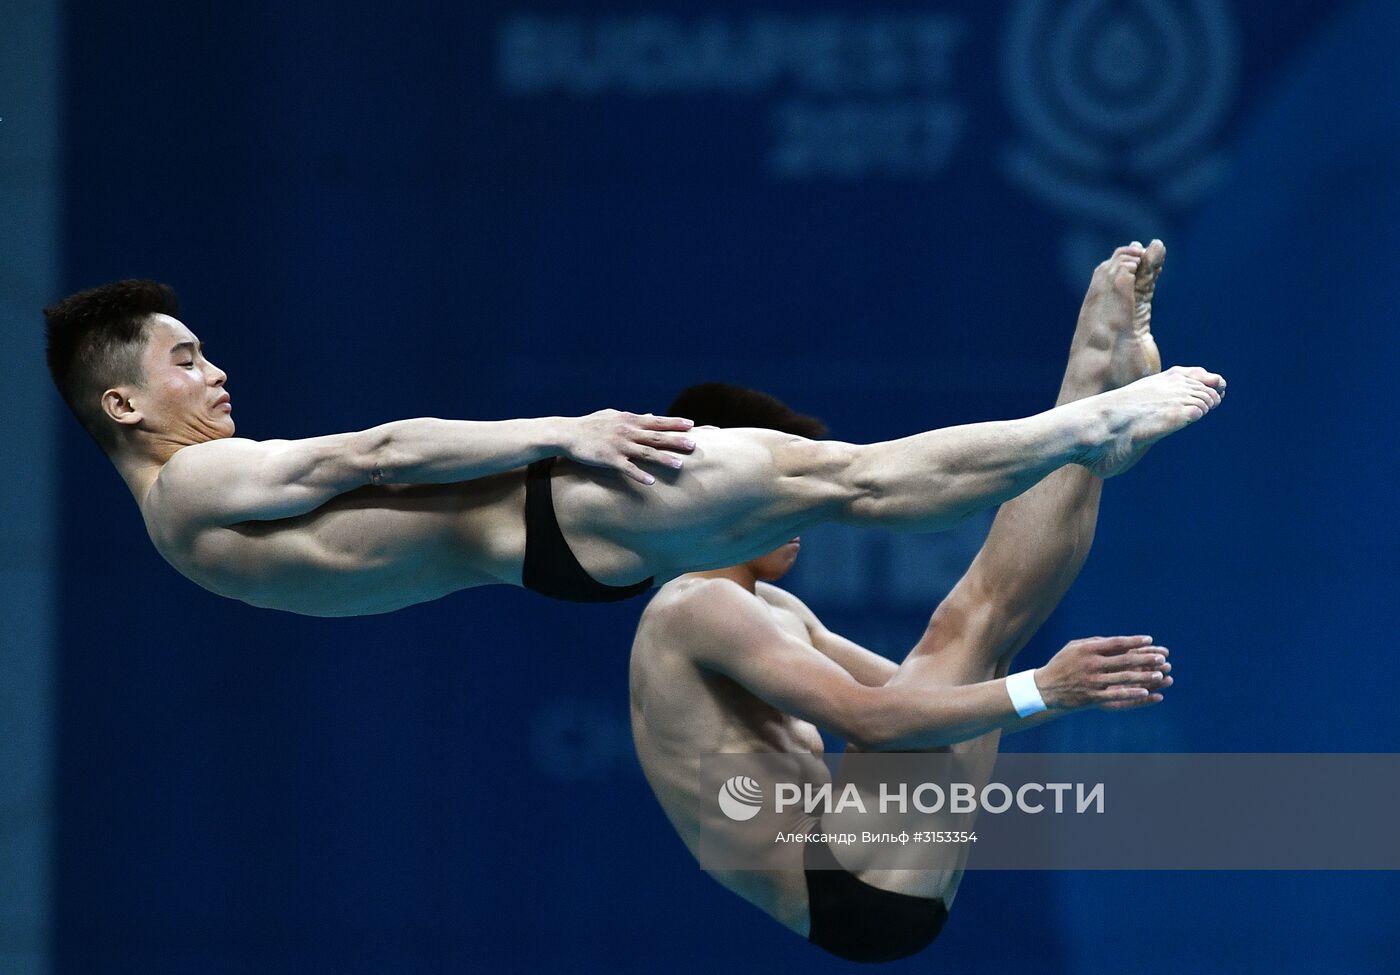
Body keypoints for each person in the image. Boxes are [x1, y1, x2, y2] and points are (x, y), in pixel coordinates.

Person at [43, 241, 1223, 616]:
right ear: (124, 405)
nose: (219, 370)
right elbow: (374, 452)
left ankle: (1083, 418)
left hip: (554, 555)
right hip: (569, 502)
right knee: (854, 481)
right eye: (185, 359)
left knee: (843, 488)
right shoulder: (192, 490)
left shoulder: (182, 531)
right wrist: (573, 429)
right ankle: (1088, 422)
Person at [629, 242, 1183, 962]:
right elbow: (871, 719)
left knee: (981, 643)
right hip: (843, 881)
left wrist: (1040, 692)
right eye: (778, 497)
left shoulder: (771, 608)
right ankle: (1091, 393)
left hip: (874, 884)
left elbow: (915, 703)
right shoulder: (689, 605)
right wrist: (1044, 691)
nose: (797, 517)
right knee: (968, 629)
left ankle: (1096, 417)